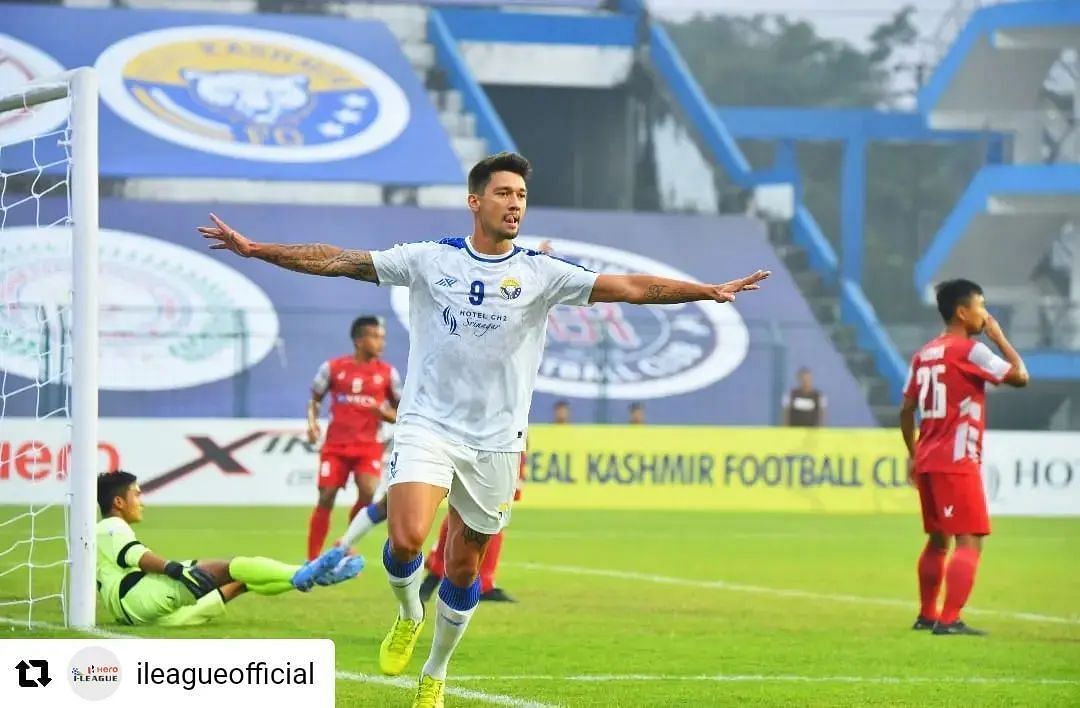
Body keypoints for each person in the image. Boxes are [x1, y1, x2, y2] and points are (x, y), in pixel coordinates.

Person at [199, 151, 769, 706]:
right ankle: (407, 614)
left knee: (466, 565)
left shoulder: (542, 274)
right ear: (476, 201)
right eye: (503, 193)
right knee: (405, 541)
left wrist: (707, 291)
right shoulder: (428, 259)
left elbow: (632, 288)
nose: (515, 203)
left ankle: (435, 674)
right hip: (428, 425)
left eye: (521, 195)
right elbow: (340, 259)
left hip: (498, 442)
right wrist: (255, 250)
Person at [900, 279, 1028, 636]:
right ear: (962, 311)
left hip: (927, 459)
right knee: (970, 538)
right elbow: (1020, 377)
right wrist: (999, 338)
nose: (985, 314)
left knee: (939, 539)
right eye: (981, 306)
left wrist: (914, 453)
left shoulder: (923, 354)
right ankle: (950, 619)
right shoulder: (969, 350)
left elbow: (906, 409)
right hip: (956, 461)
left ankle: (927, 614)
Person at [96, 471, 362, 627]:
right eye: (137, 494)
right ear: (119, 501)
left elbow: (195, 614)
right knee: (232, 565)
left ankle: (306, 575)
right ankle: (304, 573)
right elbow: (138, 557)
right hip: (138, 597)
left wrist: (235, 586)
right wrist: (174, 569)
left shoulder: (103, 534)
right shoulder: (110, 526)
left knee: (244, 578)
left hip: (136, 613)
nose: (142, 501)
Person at [306, 316, 400, 560]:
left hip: (369, 446)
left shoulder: (388, 374)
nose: (382, 343)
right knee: (326, 496)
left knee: (368, 491)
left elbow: (401, 412)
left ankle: (344, 544)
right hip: (336, 445)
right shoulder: (333, 368)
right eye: (376, 337)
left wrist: (386, 413)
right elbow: (314, 399)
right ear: (359, 340)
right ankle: (312, 557)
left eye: (383, 338)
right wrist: (312, 423)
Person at [417, 452, 528, 605]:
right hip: (484, 444)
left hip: (509, 445)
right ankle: (436, 575)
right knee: (463, 510)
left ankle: (483, 584)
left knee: (495, 516)